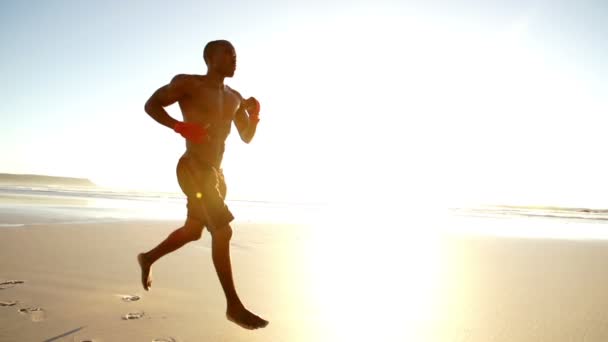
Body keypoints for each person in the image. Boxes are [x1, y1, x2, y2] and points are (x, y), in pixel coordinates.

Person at [137, 40, 268, 330]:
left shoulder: (234, 96)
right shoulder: (188, 84)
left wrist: (255, 115)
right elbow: (151, 104)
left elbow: (246, 136)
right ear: (210, 58)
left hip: (217, 174)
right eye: (229, 54)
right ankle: (233, 306)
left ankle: (147, 258)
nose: (235, 59)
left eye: (236, 55)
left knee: (193, 231)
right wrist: (179, 126)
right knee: (223, 229)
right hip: (193, 168)